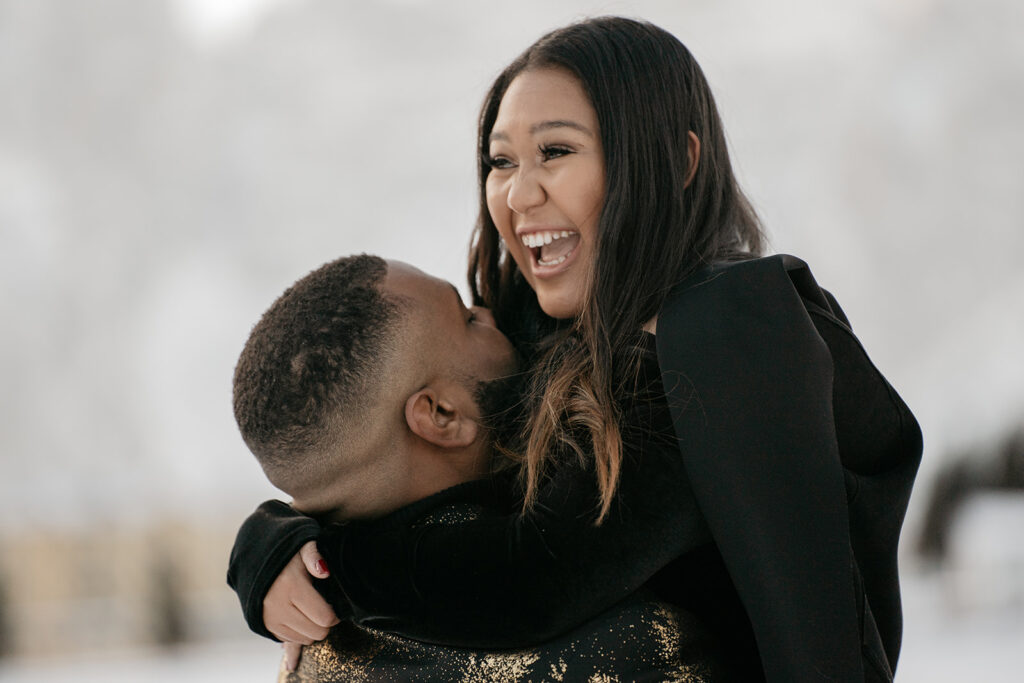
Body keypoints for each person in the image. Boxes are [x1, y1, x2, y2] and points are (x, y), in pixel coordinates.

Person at [229, 17, 922, 683]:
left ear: (676, 160)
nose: (518, 192)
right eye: (501, 160)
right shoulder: (534, 328)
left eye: (555, 152)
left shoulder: (730, 338)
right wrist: (275, 541)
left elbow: (538, 576)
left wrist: (334, 566)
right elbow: (379, 447)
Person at [230, 253, 728, 681]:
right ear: (441, 416)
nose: (489, 313)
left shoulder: (306, 645)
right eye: (468, 319)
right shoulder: (633, 642)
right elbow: (538, 574)